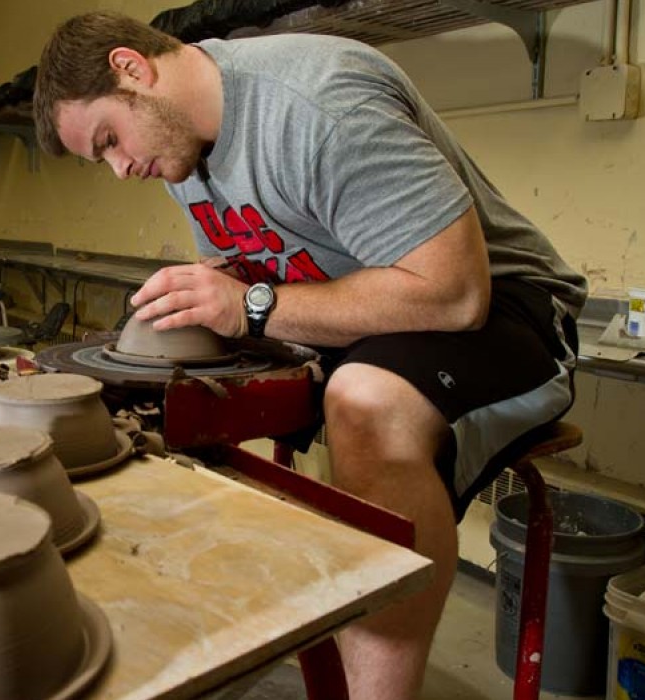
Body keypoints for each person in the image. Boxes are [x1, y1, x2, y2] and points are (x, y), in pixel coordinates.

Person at [34, 11, 587, 699]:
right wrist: (214, 297)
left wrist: (252, 307)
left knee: (365, 404)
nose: (120, 170)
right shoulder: (180, 145)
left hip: (509, 306)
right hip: (375, 317)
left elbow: (454, 295)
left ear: (132, 69)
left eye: (110, 141)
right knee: (181, 402)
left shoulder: (317, 106)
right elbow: (260, 267)